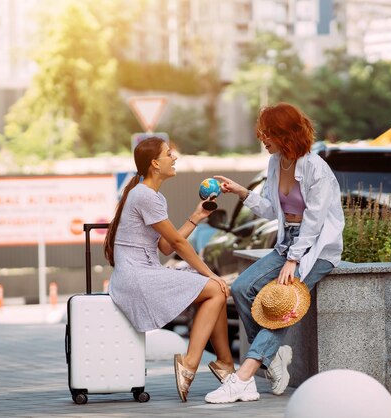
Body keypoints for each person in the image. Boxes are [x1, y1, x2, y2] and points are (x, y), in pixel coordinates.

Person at [206, 103, 345, 403]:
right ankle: (273, 355)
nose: (263, 139)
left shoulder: (315, 167)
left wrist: (294, 261)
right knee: (242, 288)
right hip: (288, 242)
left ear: (284, 134)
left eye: (267, 133)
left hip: (317, 247)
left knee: (283, 303)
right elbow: (273, 210)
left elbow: (315, 220)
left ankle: (244, 378)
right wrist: (243, 193)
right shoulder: (276, 163)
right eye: (262, 133)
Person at [103, 137, 235, 402]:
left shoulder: (150, 195)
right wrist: (209, 273)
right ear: (155, 163)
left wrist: (196, 217)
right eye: (168, 154)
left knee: (215, 293)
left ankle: (224, 363)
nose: (174, 157)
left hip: (141, 273)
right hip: (137, 277)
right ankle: (191, 363)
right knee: (215, 288)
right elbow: (176, 243)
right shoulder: (145, 195)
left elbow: (164, 246)